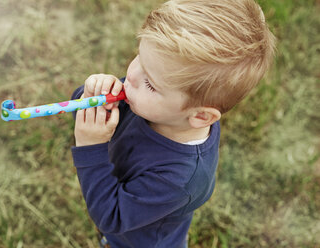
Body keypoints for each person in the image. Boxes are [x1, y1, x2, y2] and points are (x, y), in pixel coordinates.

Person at [70, 0, 276, 247]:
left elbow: (111, 216)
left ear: (199, 116)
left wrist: (90, 146)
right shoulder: (153, 103)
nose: (131, 77)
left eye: (150, 83)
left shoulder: (181, 177)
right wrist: (90, 95)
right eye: (139, 57)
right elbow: (88, 105)